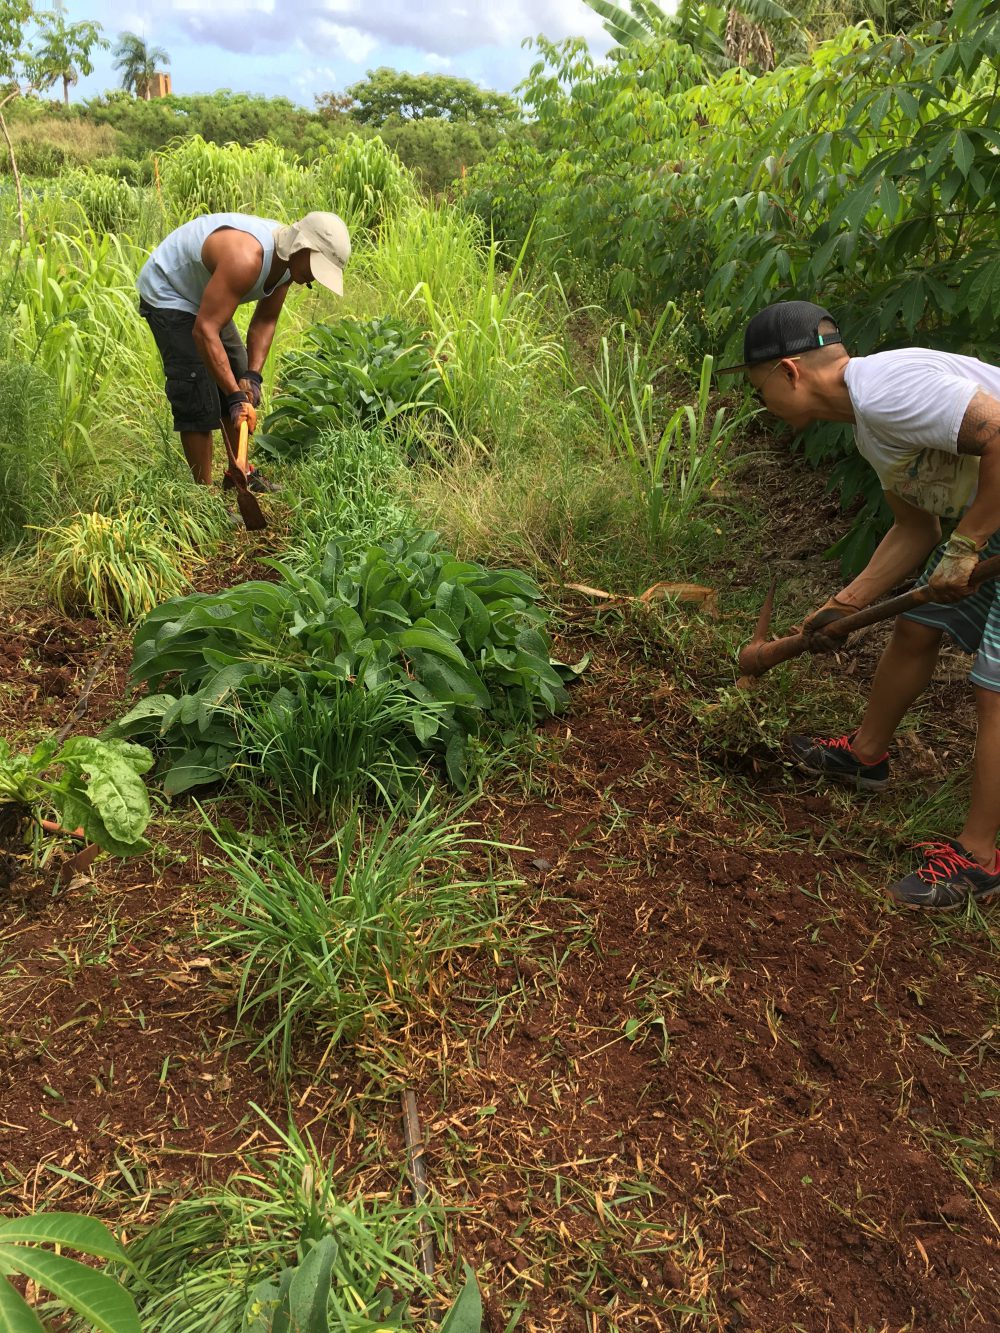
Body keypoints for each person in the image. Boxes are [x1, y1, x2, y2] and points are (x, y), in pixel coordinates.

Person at [720, 300, 1000, 910]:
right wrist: (841, 607)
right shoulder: (872, 427)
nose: (758, 403)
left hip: (988, 532)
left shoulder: (885, 390)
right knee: (917, 627)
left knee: (994, 688)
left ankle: (979, 856)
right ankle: (866, 756)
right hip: (988, 525)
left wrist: (968, 543)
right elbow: (915, 529)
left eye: (758, 388)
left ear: (790, 372)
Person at [138, 211, 351, 488]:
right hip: (170, 291)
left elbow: (265, 320)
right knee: (196, 390)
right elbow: (204, 331)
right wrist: (235, 395)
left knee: (238, 369)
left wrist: (252, 376)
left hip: (206, 293)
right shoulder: (247, 258)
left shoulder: (289, 264)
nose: (314, 276)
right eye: (315, 265)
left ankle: (238, 472)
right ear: (302, 247)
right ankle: (204, 495)